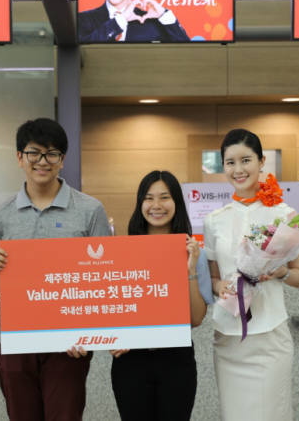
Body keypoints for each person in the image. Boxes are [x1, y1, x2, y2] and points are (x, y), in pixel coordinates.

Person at [0, 118, 111, 420]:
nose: (42, 161)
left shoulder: (90, 210)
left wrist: (87, 334)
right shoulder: (1, 215)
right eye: (34, 153)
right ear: (19, 157)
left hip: (68, 343)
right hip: (15, 339)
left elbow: (102, 280)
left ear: (62, 160)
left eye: (52, 153)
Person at [204, 129, 299, 420]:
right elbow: (212, 279)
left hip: (270, 335)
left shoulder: (284, 215)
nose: (238, 170)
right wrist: (219, 285)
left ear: (262, 162)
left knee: (272, 412)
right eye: (230, 162)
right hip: (228, 336)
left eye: (245, 160)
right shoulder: (214, 221)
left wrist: (281, 272)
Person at [110, 170, 214, 421]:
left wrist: (190, 269)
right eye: (148, 198)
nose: (156, 205)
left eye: (164, 197)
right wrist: (113, 338)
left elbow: (196, 319)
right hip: (130, 361)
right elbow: (112, 306)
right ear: (140, 204)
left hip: (176, 359)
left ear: (176, 202)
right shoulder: (122, 251)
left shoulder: (192, 250)